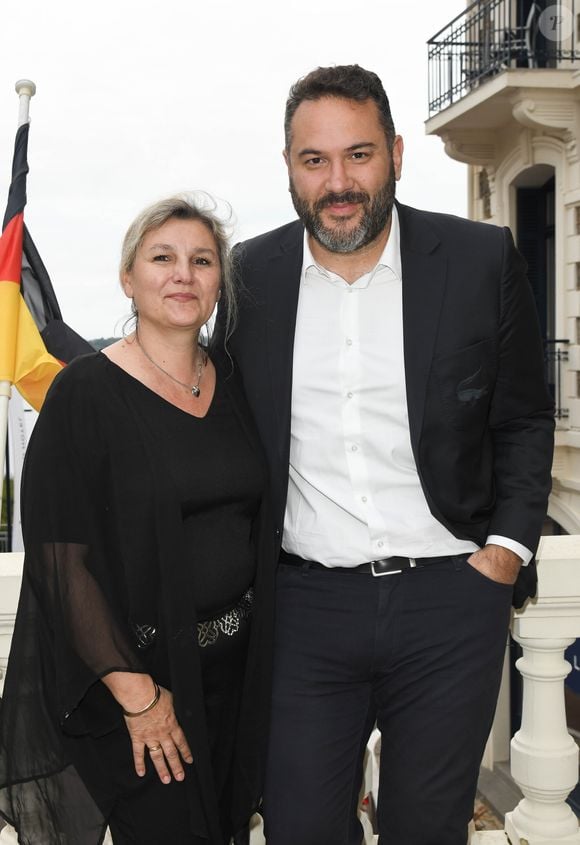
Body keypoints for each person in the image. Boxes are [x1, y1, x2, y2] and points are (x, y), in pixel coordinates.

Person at [220, 65, 555, 844]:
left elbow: (523, 417)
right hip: (303, 610)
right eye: (315, 160)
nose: (338, 182)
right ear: (290, 167)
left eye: (359, 155)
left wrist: (504, 552)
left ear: (397, 153)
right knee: (301, 826)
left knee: (426, 829)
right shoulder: (248, 279)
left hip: (449, 600)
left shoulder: (479, 259)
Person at [0, 193, 275, 845]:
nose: (183, 273)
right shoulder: (84, 393)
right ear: (129, 277)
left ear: (217, 284)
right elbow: (60, 561)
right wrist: (140, 699)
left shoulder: (236, 382)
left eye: (202, 260)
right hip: (145, 690)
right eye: (163, 257)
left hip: (238, 680)